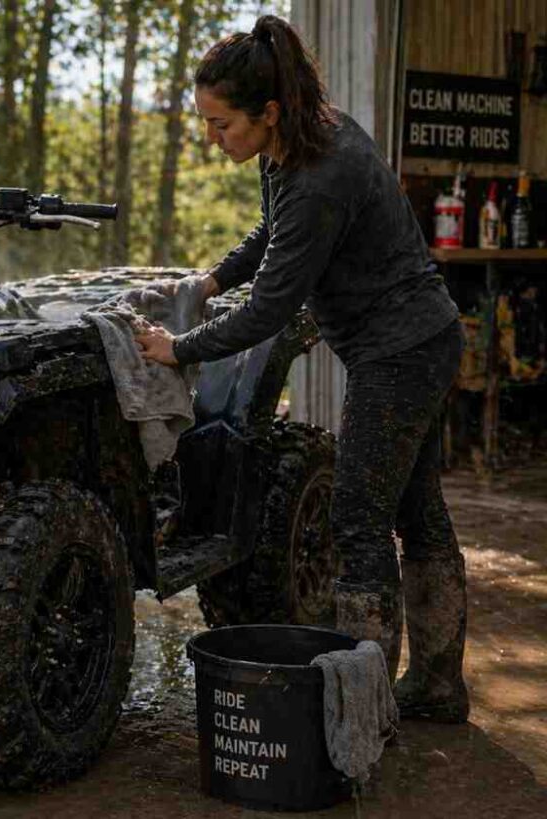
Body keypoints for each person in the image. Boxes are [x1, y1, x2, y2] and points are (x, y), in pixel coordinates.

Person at [135, 15, 468, 723]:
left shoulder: (323, 172)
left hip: (403, 348)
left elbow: (271, 311)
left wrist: (178, 347)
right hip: (419, 336)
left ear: (269, 111)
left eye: (220, 125)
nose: (211, 138)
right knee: (416, 508)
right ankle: (437, 686)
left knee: (357, 515)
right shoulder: (292, 144)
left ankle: (365, 706)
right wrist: (213, 278)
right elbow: (270, 235)